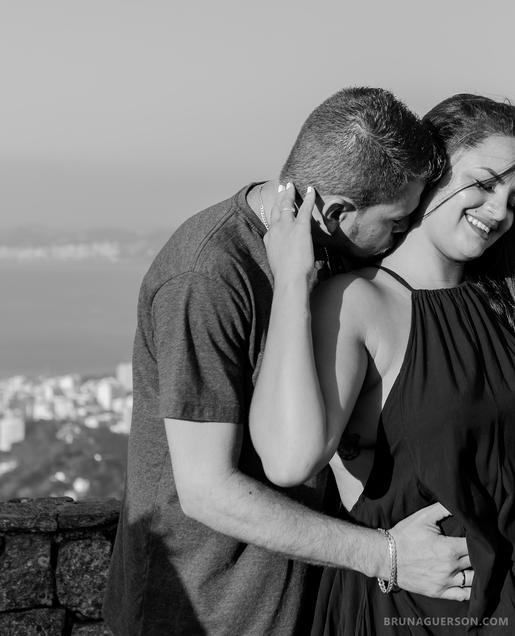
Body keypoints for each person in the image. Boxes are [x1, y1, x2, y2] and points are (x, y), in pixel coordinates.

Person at [104, 88, 473, 636]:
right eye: (396, 222)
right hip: (204, 615)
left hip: (300, 604)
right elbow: (206, 490)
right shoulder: (208, 277)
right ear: (336, 211)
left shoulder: (335, 251)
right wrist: (387, 556)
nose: (402, 235)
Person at [252, 94, 515, 634]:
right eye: (484, 183)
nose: (499, 212)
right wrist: (292, 282)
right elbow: (287, 461)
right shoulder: (357, 303)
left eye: (514, 199)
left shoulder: (495, 301)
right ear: (431, 175)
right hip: (412, 611)